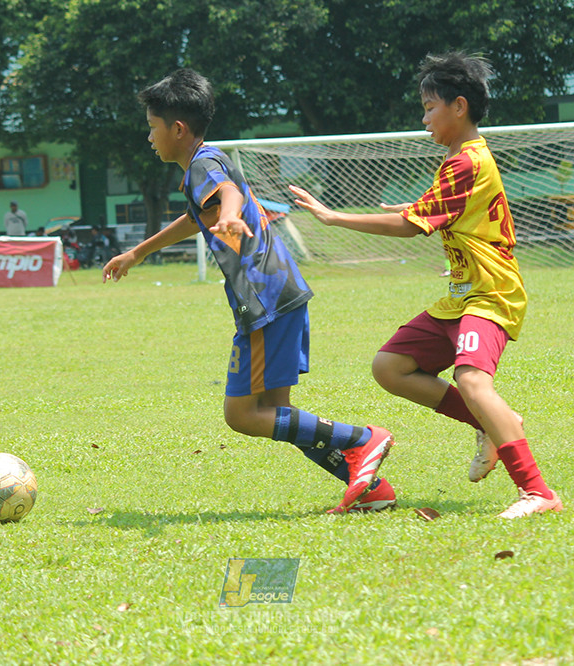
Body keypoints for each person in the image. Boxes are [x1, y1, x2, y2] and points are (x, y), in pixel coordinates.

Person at [103, 68, 395, 514]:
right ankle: (370, 488)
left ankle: (361, 439)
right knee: (278, 414)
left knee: (242, 415)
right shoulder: (205, 161)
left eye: (152, 128)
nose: (149, 137)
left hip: (264, 301)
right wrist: (138, 253)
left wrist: (232, 217)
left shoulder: (204, 165)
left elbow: (228, 195)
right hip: (282, 293)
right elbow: (201, 213)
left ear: (177, 129)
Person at [289, 52, 561, 519]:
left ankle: (538, 493)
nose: (424, 117)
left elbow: (413, 225)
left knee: (472, 380)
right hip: (462, 294)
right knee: (390, 366)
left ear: (459, 106)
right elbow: (434, 212)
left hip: (490, 294)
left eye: (430, 106)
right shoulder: (460, 160)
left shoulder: (466, 163)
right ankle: (494, 423)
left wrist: (334, 217)